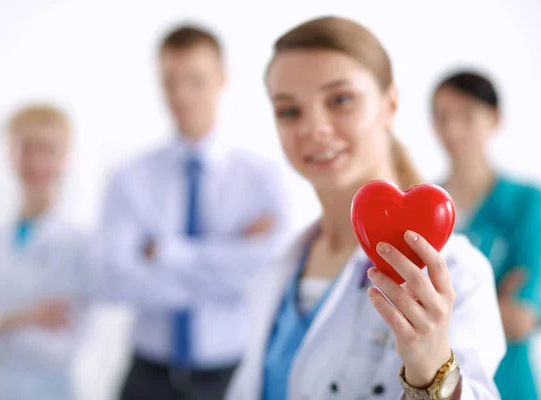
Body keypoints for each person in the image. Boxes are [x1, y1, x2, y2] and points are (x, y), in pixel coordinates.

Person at [225, 16, 507, 400]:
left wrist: (430, 371)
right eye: (289, 111)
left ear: (389, 104)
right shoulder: (279, 266)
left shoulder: (457, 271)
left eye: (340, 100)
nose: (314, 128)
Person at [101, 24, 289, 400]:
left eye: (195, 80)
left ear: (221, 78)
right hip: (147, 376)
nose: (181, 95)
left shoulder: (261, 178)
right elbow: (116, 280)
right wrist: (228, 253)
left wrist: (164, 253)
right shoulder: (128, 178)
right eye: (170, 80)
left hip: (229, 376)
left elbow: (263, 274)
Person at [0, 105, 97, 400]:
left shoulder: (80, 245)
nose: (36, 161)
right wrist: (24, 317)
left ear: (65, 158)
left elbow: (60, 347)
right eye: (27, 148)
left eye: (48, 149)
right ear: (10, 153)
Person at [432, 70, 541, 400]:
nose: (451, 129)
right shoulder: (424, 205)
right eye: (442, 117)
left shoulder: (527, 203)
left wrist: (435, 314)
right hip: (437, 386)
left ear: (494, 119)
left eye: (466, 115)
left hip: (508, 384)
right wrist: (490, 301)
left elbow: (521, 318)